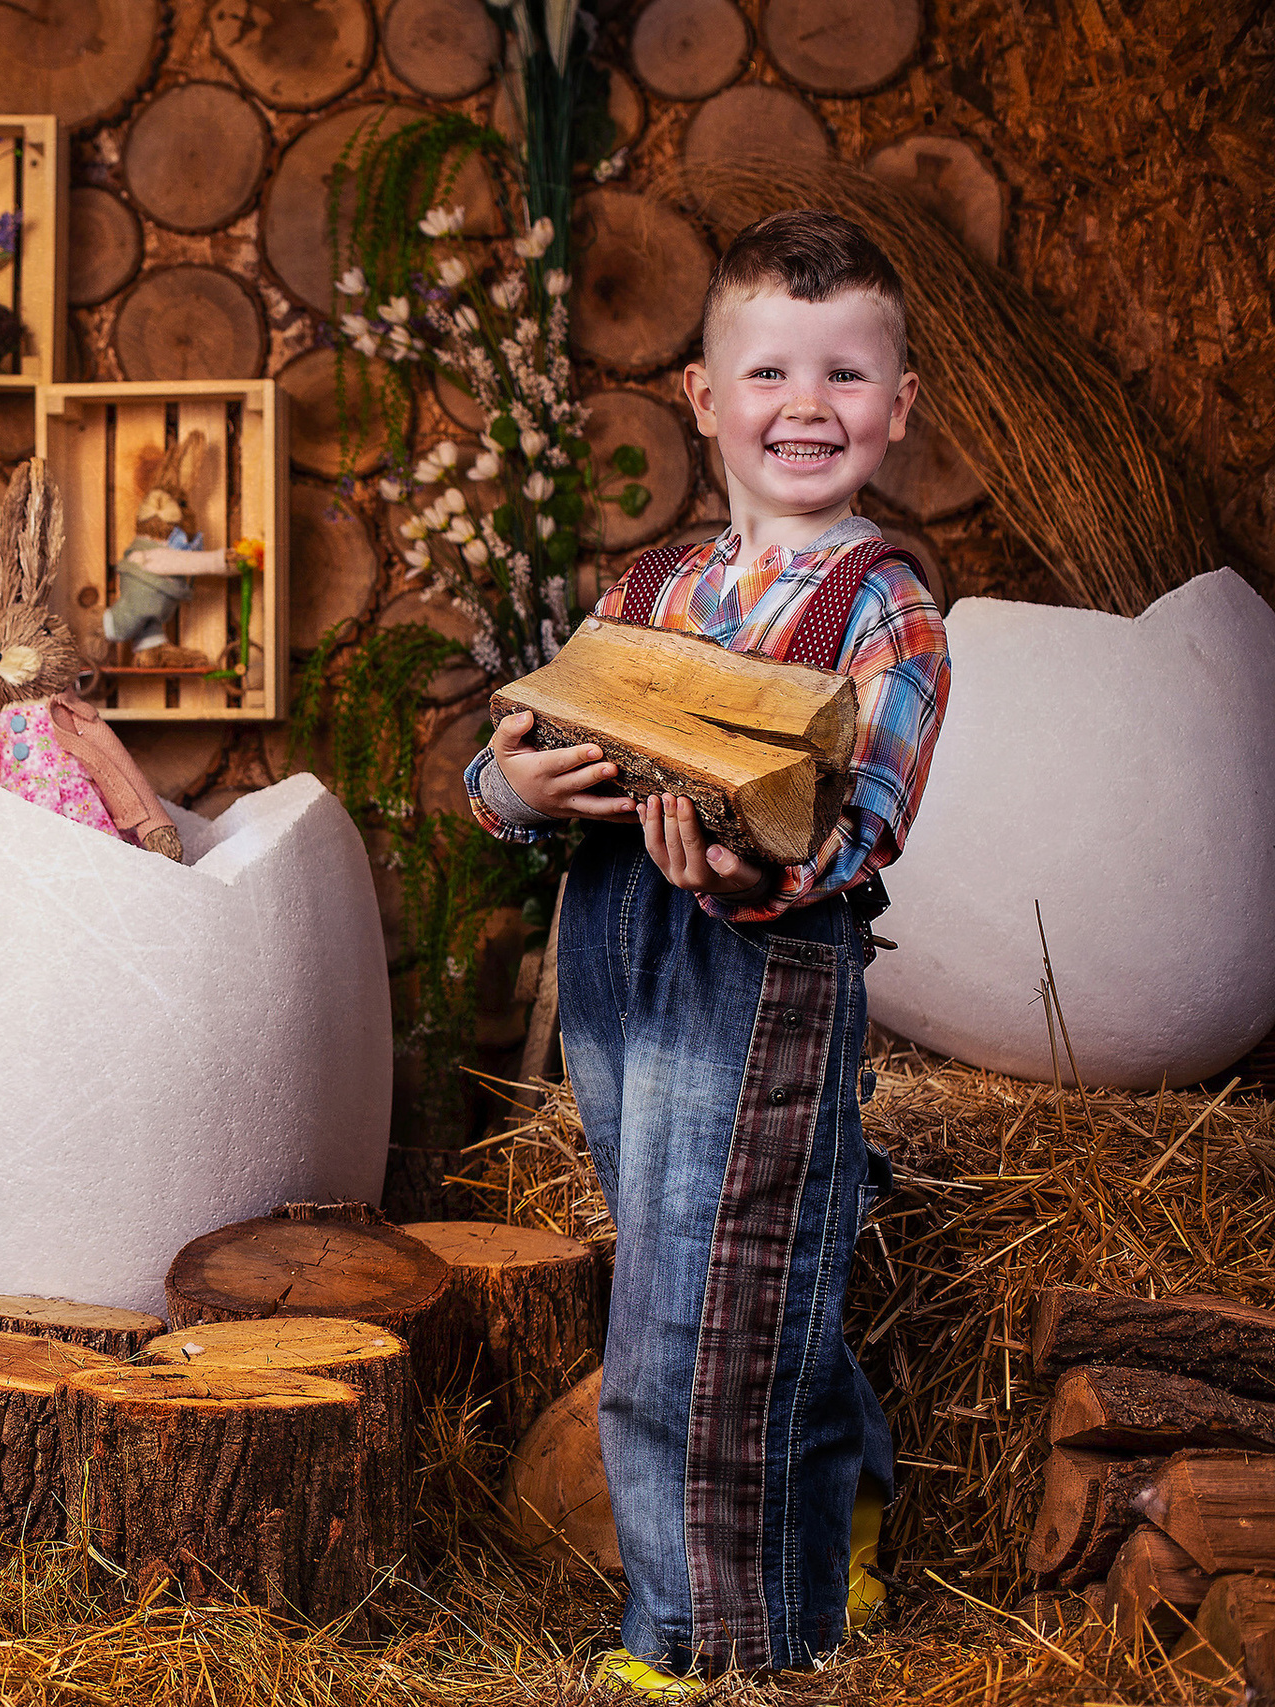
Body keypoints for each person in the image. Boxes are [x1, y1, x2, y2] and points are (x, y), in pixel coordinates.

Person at [465, 210, 951, 1695]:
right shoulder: (647, 597)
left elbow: (862, 828)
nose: (807, 407)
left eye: (847, 375)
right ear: (702, 397)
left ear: (899, 407)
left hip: (757, 978)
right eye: (769, 373)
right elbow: (520, 758)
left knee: (688, 1321)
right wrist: (517, 788)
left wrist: (753, 869)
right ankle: (836, 1516)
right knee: (733, 1277)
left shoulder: (888, 610)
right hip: (621, 957)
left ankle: (710, 1646)